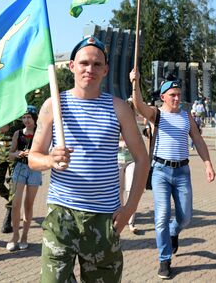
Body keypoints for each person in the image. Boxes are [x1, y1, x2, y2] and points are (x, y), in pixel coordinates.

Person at [28, 36, 149, 283]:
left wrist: (130, 209)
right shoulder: (54, 105)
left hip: (104, 218)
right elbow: (33, 157)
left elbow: (142, 159)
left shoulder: (119, 108)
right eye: (84, 63)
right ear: (72, 66)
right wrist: (50, 160)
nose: (89, 69)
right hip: (62, 215)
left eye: (96, 64)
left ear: (105, 69)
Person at [130, 69, 216, 280]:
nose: (177, 98)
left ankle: (174, 231)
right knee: (160, 217)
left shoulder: (186, 116)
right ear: (163, 97)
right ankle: (164, 259)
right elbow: (138, 105)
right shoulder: (157, 114)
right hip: (160, 171)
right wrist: (136, 83)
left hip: (182, 172)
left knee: (185, 217)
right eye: (172, 95)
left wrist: (208, 164)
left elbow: (198, 141)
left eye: (179, 94)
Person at [6, 106, 42, 251]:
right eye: (24, 117)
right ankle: (14, 236)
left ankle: (24, 236)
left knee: (28, 205)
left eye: (29, 117)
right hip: (20, 168)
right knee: (15, 204)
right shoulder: (17, 133)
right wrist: (18, 153)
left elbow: (45, 151)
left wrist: (33, 154)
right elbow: (10, 153)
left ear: (34, 118)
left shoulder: (40, 134)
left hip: (34, 170)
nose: (26, 120)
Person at [0, 118, 23, 234]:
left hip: (14, 153)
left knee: (13, 185)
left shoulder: (18, 119)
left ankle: (8, 217)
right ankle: (13, 202)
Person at [118, 133, 138, 234]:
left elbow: (138, 139)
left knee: (131, 190)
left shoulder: (129, 120)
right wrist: (120, 144)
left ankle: (131, 222)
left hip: (131, 161)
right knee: (119, 191)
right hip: (117, 161)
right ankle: (120, 217)